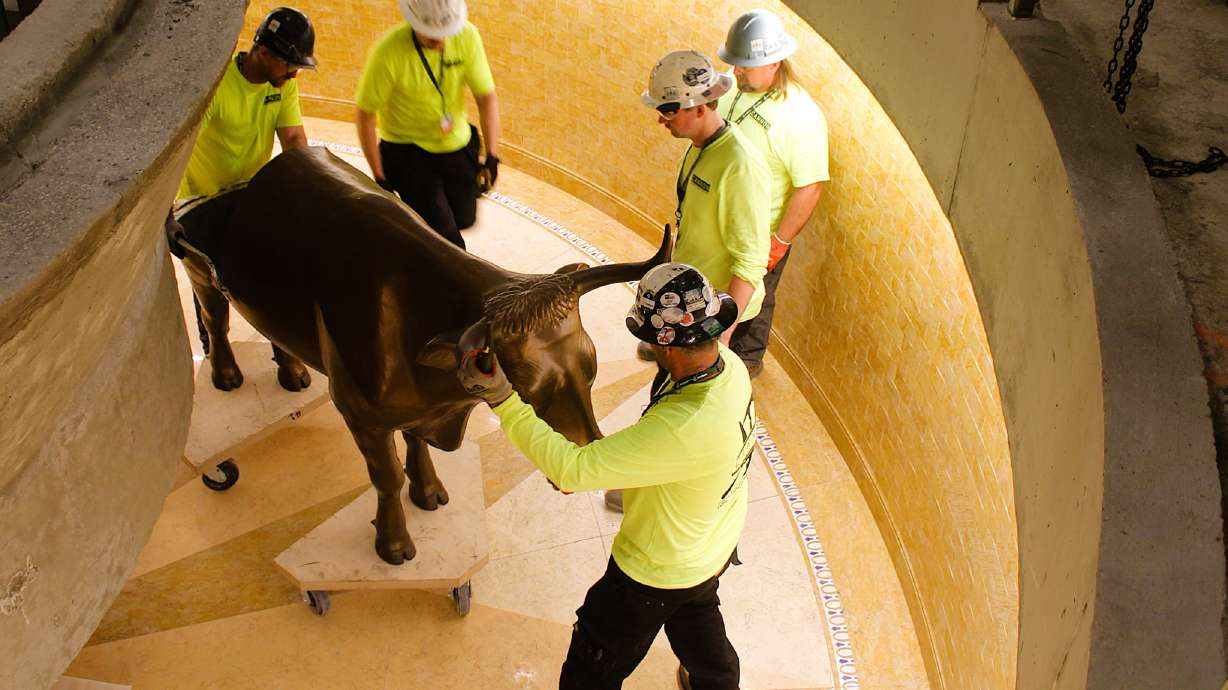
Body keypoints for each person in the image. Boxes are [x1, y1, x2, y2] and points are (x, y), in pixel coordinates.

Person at [458, 263, 755, 690]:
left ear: (664, 347)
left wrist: (502, 398)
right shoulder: (729, 367)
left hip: (654, 570)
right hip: (710, 544)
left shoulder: (684, 427)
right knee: (697, 619)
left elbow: (570, 470)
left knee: (593, 660)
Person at [612, 49, 770, 514]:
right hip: (688, 313)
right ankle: (645, 480)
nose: (660, 119)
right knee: (665, 400)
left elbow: (750, 262)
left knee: (683, 416)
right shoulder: (701, 149)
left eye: (668, 110)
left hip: (710, 321)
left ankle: (655, 491)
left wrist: (716, 337)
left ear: (701, 106)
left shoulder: (739, 166)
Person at [169, 6, 317, 392]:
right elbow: (176, 150)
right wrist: (164, 214)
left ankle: (283, 347)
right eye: (290, 64)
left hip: (251, 193)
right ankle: (217, 341)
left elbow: (295, 141)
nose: (295, 73)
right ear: (263, 54)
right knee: (216, 281)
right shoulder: (215, 86)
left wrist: (314, 188)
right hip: (200, 202)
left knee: (281, 270)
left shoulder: (282, 84)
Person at [716, 9, 829, 379]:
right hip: (719, 217)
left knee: (754, 302)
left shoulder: (801, 116)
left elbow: (810, 185)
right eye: (735, 65)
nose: (736, 73)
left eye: (745, 67)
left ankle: (744, 363)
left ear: (774, 62)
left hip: (760, 234)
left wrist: (779, 242)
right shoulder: (736, 85)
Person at [355, 0, 501, 250]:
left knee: (465, 219)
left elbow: (486, 97)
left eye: (445, 34)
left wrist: (492, 156)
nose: (439, 41)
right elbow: (365, 115)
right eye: (431, 35)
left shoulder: (467, 36)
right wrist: (379, 177)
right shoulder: (388, 52)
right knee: (445, 235)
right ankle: (459, 283)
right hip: (408, 152)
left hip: (457, 143)